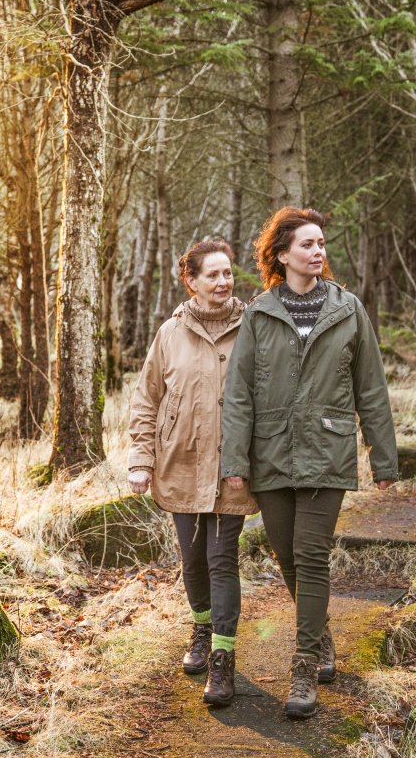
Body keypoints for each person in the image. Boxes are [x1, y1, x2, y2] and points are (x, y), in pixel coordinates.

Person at [220, 207, 397, 720]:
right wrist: (236, 460)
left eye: (322, 243)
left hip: (327, 449)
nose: (318, 252)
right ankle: (320, 634)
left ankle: (302, 663)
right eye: (307, 244)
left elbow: (372, 388)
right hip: (271, 452)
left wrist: (383, 461)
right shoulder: (259, 313)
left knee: (311, 553)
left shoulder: (348, 310)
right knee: (287, 558)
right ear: (282, 254)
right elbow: (239, 396)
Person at [128, 240, 258, 708]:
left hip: (233, 469)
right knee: (192, 560)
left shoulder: (254, 327)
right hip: (179, 464)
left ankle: (223, 659)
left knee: (222, 559)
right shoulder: (169, 333)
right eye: (213, 275)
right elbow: (146, 400)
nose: (224, 282)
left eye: (228, 274)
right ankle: (201, 629)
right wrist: (140, 460)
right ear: (192, 281)